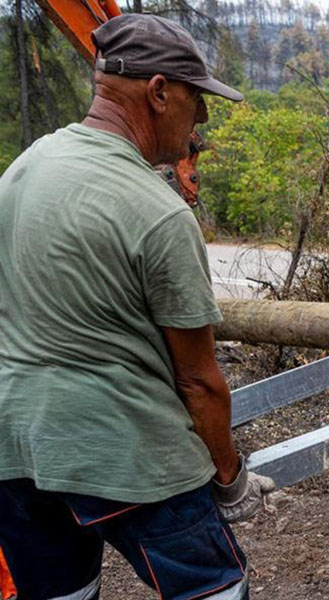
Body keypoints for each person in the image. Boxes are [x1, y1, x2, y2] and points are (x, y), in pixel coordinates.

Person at [0, 14, 274, 600]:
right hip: (125, 454)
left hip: (15, 449)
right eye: (196, 99)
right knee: (216, 589)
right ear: (157, 93)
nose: (201, 117)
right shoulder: (160, 212)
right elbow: (200, 383)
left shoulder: (23, 170)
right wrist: (230, 480)